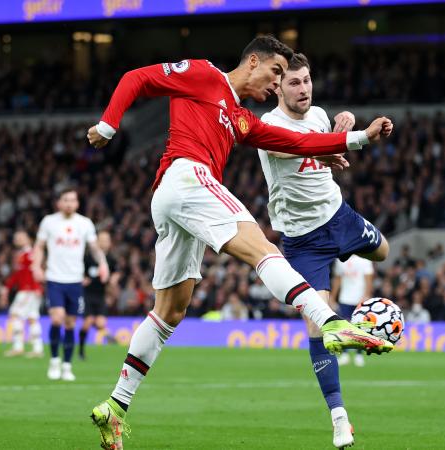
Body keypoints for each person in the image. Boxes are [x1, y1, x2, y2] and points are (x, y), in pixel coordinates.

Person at [85, 35, 394, 449]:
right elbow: (136, 78)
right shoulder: (203, 74)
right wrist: (109, 123)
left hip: (173, 201)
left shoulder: (241, 118)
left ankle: (115, 406)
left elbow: (299, 143)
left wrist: (360, 138)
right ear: (253, 61)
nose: (277, 84)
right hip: (187, 176)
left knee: (169, 313)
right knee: (263, 249)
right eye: (276, 73)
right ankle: (332, 322)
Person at [257, 53, 389, 449]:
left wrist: (339, 124)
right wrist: (350, 137)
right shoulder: (268, 125)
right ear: (278, 87)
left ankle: (355, 319)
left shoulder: (317, 115)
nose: (304, 89)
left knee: (383, 251)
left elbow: (319, 138)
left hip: (338, 216)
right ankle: (339, 418)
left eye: (307, 80)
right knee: (318, 327)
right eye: (294, 83)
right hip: (303, 240)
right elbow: (291, 149)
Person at [32, 188, 109, 382]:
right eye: (65, 200)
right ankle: (54, 361)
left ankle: (67, 366)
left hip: (75, 280)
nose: (69, 203)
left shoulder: (84, 223)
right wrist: (36, 266)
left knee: (70, 323)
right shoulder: (49, 222)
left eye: (72, 200)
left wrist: (103, 263)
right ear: (59, 203)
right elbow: (39, 246)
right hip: (55, 278)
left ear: (77, 203)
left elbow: (94, 248)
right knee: (57, 319)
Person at [2, 230, 44, 358]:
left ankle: (18, 347)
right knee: (32, 318)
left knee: (15, 315)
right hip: (29, 290)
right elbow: (17, 275)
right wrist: (7, 287)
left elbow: (34, 272)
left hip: (28, 290)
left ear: (28, 239)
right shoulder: (21, 254)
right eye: (16, 237)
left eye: (21, 237)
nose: (17, 239)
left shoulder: (30, 254)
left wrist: (35, 288)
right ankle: (37, 349)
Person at [79, 231, 120, 360]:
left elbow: (117, 272)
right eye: (101, 240)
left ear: (109, 243)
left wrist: (114, 279)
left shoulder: (111, 259)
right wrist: (83, 278)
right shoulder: (88, 257)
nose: (104, 243)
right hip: (88, 295)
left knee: (101, 323)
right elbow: (79, 271)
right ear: (96, 242)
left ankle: (108, 335)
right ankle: (81, 351)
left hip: (101, 295)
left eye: (106, 240)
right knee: (88, 322)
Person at [333, 255, 375, 368]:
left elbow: (369, 279)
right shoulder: (340, 259)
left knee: (360, 327)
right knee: (344, 327)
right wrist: (332, 297)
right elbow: (338, 279)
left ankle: (359, 354)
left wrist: (367, 295)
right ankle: (345, 354)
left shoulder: (365, 259)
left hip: (360, 298)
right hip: (345, 298)